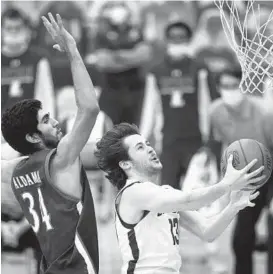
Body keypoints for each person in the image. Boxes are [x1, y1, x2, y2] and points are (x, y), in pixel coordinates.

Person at [95, 122, 265, 273]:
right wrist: (226, 184)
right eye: (140, 147)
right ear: (125, 164)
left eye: (147, 143)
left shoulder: (165, 193)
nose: (150, 148)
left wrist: (233, 206)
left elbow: (207, 231)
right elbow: (189, 200)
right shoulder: (132, 193)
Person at [1, 13, 100, 274]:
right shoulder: (61, 159)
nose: (55, 121)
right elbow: (89, 108)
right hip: (74, 268)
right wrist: (73, 52)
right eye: (46, 120)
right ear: (33, 137)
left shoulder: (16, 171)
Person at [208, 67, 273, 274]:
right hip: (248, 179)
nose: (229, 90)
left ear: (243, 86)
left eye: (234, 86)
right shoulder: (216, 111)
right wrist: (223, 182)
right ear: (218, 88)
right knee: (241, 240)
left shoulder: (264, 114)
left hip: (271, 174)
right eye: (224, 86)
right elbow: (223, 144)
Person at [145, 17, 218, 189]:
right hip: (169, 140)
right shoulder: (156, 71)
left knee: (198, 191)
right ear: (167, 39)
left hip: (196, 138)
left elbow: (207, 105)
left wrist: (209, 138)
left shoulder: (199, 68)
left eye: (182, 37)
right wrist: (145, 136)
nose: (177, 41)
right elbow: (150, 108)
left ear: (189, 39)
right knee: (169, 190)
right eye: (173, 36)